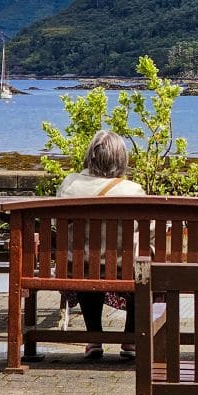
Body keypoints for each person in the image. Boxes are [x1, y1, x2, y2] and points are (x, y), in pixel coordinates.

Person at [57, 129, 145, 361]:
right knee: (143, 268)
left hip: (77, 269)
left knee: (87, 266)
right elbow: (149, 232)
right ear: (120, 159)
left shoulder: (70, 185)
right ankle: (130, 339)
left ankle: (94, 337)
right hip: (123, 270)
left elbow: (58, 224)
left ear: (90, 156)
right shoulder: (132, 191)